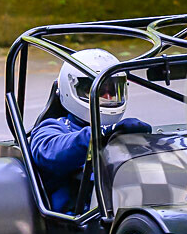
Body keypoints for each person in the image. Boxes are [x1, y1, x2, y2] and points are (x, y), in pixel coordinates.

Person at [30, 48, 151, 213]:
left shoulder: (121, 132)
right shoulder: (55, 127)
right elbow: (51, 153)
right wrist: (100, 134)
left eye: (113, 90)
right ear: (71, 87)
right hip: (81, 222)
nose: (108, 97)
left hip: (127, 211)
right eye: (100, 91)